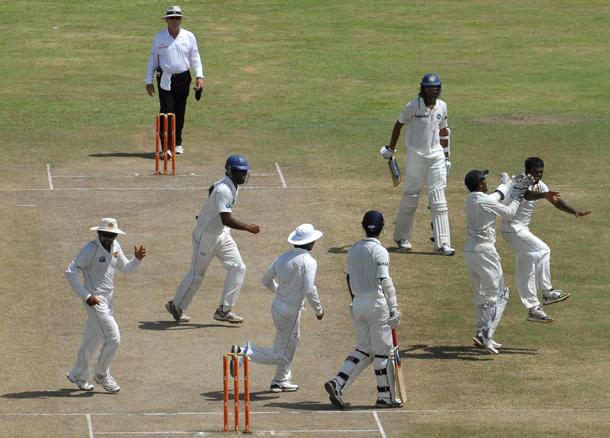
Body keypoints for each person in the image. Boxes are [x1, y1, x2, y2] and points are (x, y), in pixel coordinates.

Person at [230, 224, 325, 393]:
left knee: (291, 343)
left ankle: (280, 380)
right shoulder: (309, 261)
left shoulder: (282, 258)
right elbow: (310, 289)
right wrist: (318, 310)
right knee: (283, 355)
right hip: (289, 312)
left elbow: (265, 279)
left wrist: (278, 290)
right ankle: (245, 352)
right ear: (310, 243)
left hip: (278, 308)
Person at [165, 155, 260, 323]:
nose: (243, 175)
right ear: (230, 172)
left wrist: (208, 211)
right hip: (206, 237)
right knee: (197, 275)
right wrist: (248, 227)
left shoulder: (227, 185)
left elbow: (212, 189)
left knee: (238, 267)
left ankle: (223, 310)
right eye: (240, 172)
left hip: (222, 234)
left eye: (245, 171)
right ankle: (176, 306)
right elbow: (226, 219)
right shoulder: (223, 190)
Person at [324, 211, 403, 409]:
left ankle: (338, 383)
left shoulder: (352, 249)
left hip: (359, 303)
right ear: (382, 228)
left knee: (363, 350)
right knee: (383, 353)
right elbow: (385, 280)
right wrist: (394, 309)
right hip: (378, 305)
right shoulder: (380, 251)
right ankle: (384, 398)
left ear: (363, 226)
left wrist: (355, 301)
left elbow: (348, 277)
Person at [501, 157, 591, 323]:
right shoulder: (519, 182)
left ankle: (533, 309)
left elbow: (555, 201)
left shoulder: (539, 185)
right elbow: (526, 195)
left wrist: (574, 211)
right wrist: (543, 195)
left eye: (541, 172)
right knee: (543, 250)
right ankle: (547, 292)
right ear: (527, 170)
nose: (539, 175)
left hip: (520, 230)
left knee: (526, 268)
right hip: (513, 228)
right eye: (536, 172)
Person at [65, 218, 146, 392]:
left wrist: (136, 259)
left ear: (116, 234)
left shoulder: (116, 247)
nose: (108, 238)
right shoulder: (90, 250)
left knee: (94, 337)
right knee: (113, 337)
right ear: (98, 233)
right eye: (105, 234)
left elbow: (125, 268)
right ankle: (101, 374)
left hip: (109, 298)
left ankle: (77, 374)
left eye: (111, 235)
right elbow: (70, 272)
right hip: (95, 300)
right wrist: (86, 295)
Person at [380, 73, 454, 255]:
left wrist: (445, 157)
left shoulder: (442, 106)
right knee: (412, 196)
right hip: (416, 155)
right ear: (423, 88)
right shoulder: (413, 106)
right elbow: (398, 125)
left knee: (438, 200)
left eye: (435, 87)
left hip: (435, 156)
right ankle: (402, 237)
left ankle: (442, 244)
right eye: (429, 87)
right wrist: (391, 148)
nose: (432, 90)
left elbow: (443, 130)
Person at [464, 170, 536, 354]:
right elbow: (510, 212)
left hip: (471, 251)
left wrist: (506, 185)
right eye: (485, 179)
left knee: (481, 295)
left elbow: (497, 196)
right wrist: (518, 192)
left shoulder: (472, 199)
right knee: (499, 295)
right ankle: (485, 335)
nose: (487, 180)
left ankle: (482, 333)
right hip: (486, 251)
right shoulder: (484, 200)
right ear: (481, 184)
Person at [145, 5, 204, 155]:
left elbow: (195, 58)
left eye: (177, 18)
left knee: (179, 111)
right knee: (167, 111)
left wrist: (199, 77)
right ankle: (167, 147)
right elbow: (152, 60)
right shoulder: (159, 37)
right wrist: (149, 81)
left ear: (181, 20)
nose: (175, 21)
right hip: (165, 77)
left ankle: (177, 143)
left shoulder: (189, 36)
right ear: (167, 20)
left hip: (183, 78)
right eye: (172, 18)